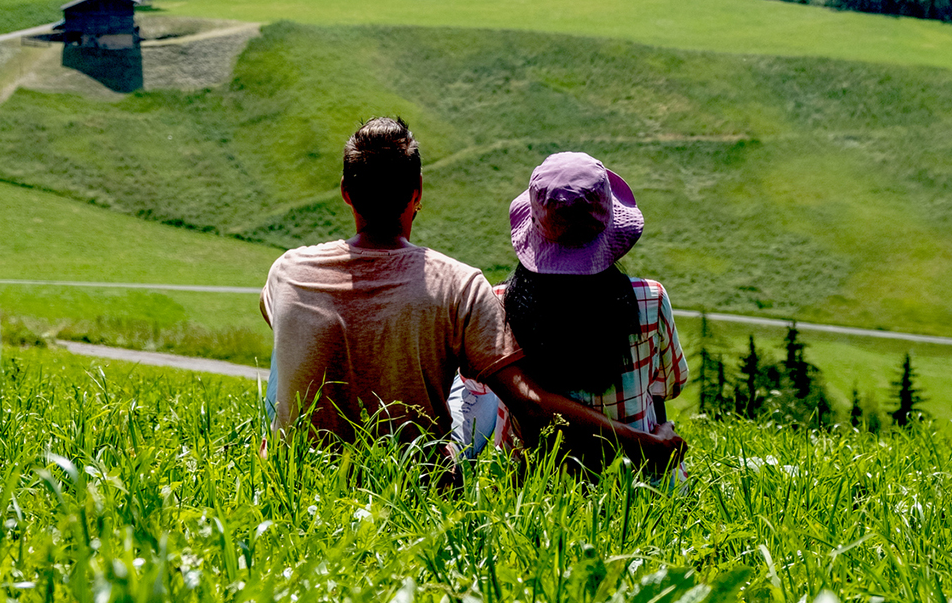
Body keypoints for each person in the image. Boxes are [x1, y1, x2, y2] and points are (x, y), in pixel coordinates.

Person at [261, 117, 686, 474]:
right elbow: (532, 406)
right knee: (471, 380)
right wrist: (641, 442)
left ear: (345, 192)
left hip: (297, 479)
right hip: (414, 486)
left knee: (292, 333)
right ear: (418, 192)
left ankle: (279, 448)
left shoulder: (287, 271)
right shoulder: (458, 284)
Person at [451, 151, 688, 477]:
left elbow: (477, 391)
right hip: (637, 483)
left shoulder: (498, 304)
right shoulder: (650, 298)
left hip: (532, 494)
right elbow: (670, 386)